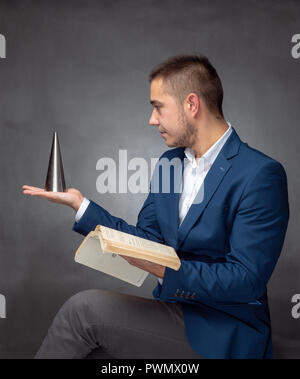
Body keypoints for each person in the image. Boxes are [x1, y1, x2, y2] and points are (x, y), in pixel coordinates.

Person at [22, 54, 289, 359]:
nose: (152, 120)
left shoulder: (260, 173)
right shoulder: (169, 164)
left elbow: (246, 281)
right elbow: (147, 241)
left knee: (83, 310)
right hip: (172, 314)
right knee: (93, 352)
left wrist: (165, 268)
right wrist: (80, 206)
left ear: (192, 104)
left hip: (225, 330)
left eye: (158, 107)